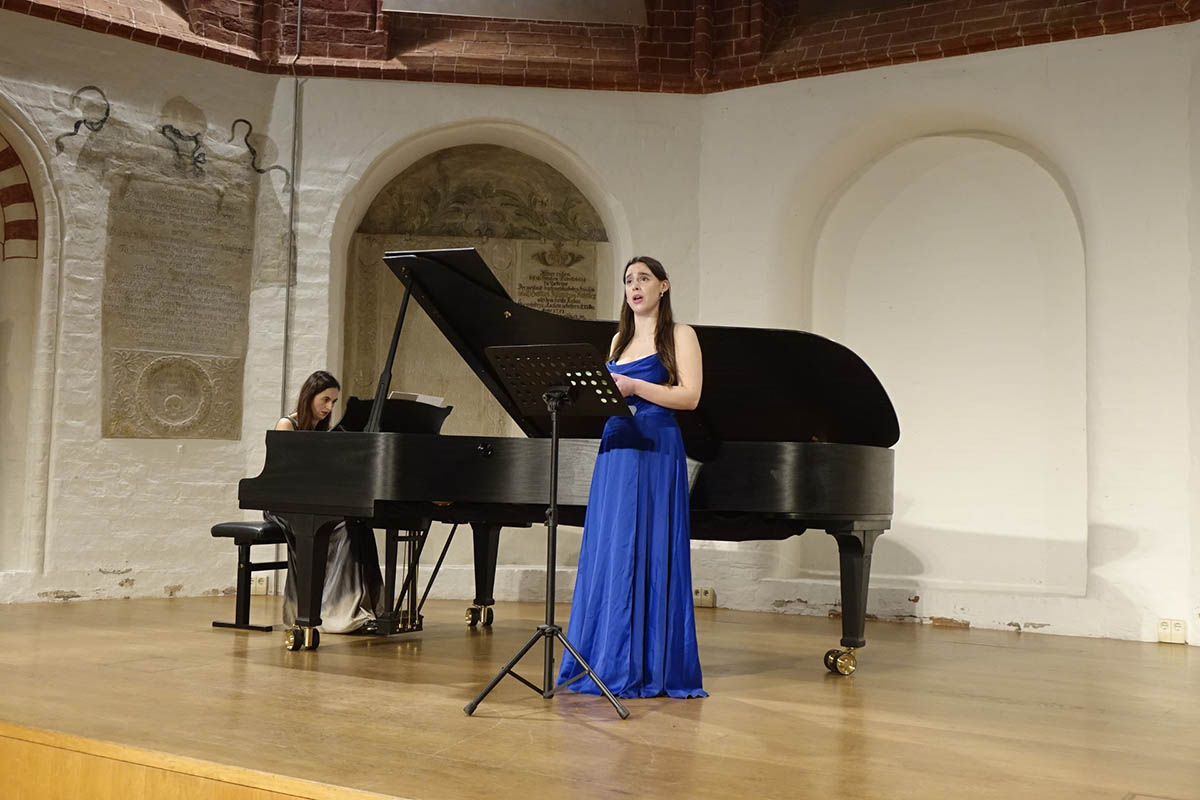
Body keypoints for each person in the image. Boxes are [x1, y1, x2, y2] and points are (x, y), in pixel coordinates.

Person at [557, 256, 707, 699]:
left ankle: (648, 663)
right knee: (612, 547)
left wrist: (637, 387)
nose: (634, 286)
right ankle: (604, 657)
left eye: (643, 278)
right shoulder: (619, 338)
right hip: (617, 444)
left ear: (664, 286)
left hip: (657, 446)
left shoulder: (680, 335)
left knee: (651, 546)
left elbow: (691, 396)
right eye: (628, 280)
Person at [267, 370, 385, 634]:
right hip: (283, 504)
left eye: (333, 401)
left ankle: (362, 608)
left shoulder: (322, 430)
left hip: (311, 501)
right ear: (310, 397)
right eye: (325, 399)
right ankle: (334, 611)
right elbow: (285, 475)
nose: (329, 407)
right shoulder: (287, 425)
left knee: (359, 524)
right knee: (341, 528)